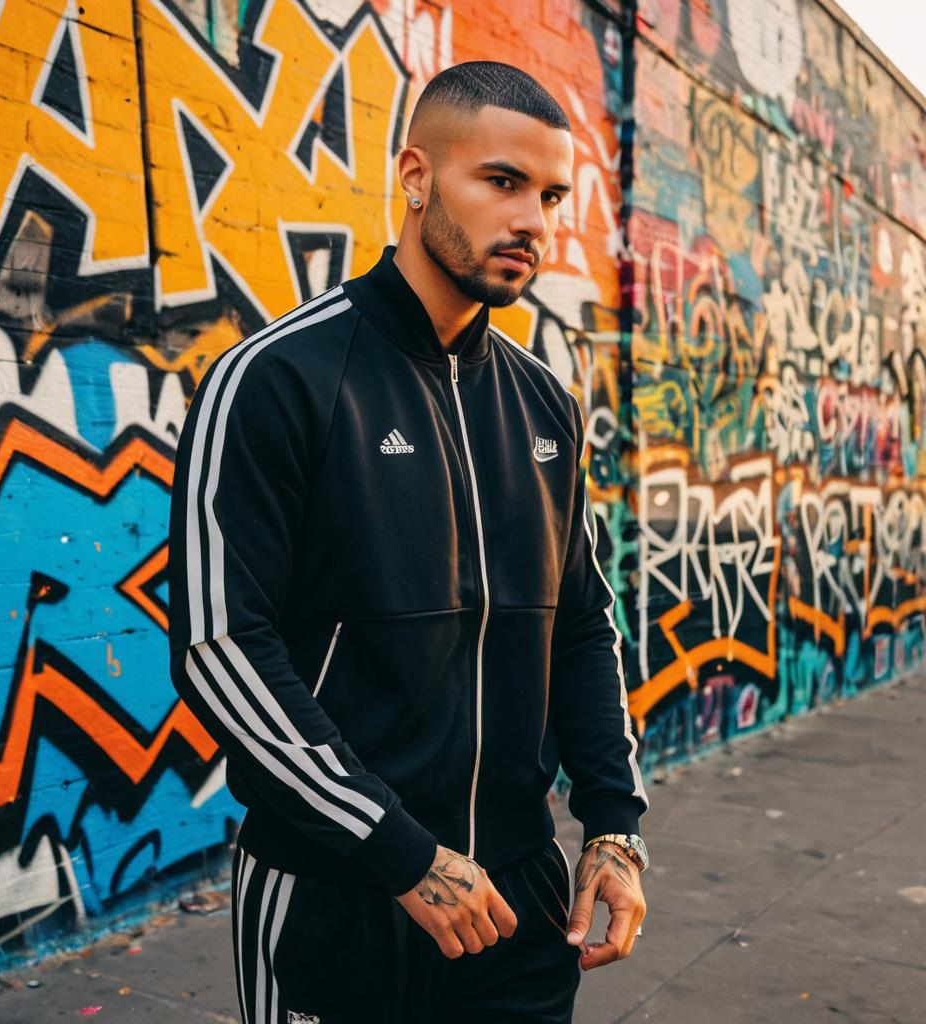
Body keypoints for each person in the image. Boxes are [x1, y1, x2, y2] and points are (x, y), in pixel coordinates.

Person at [168, 60, 649, 1024]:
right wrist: (398, 850)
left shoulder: (543, 404)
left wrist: (612, 825)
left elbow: (583, 628)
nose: (534, 224)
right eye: (502, 183)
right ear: (417, 176)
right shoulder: (277, 378)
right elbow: (221, 648)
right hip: (340, 890)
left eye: (551, 195)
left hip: (517, 899)